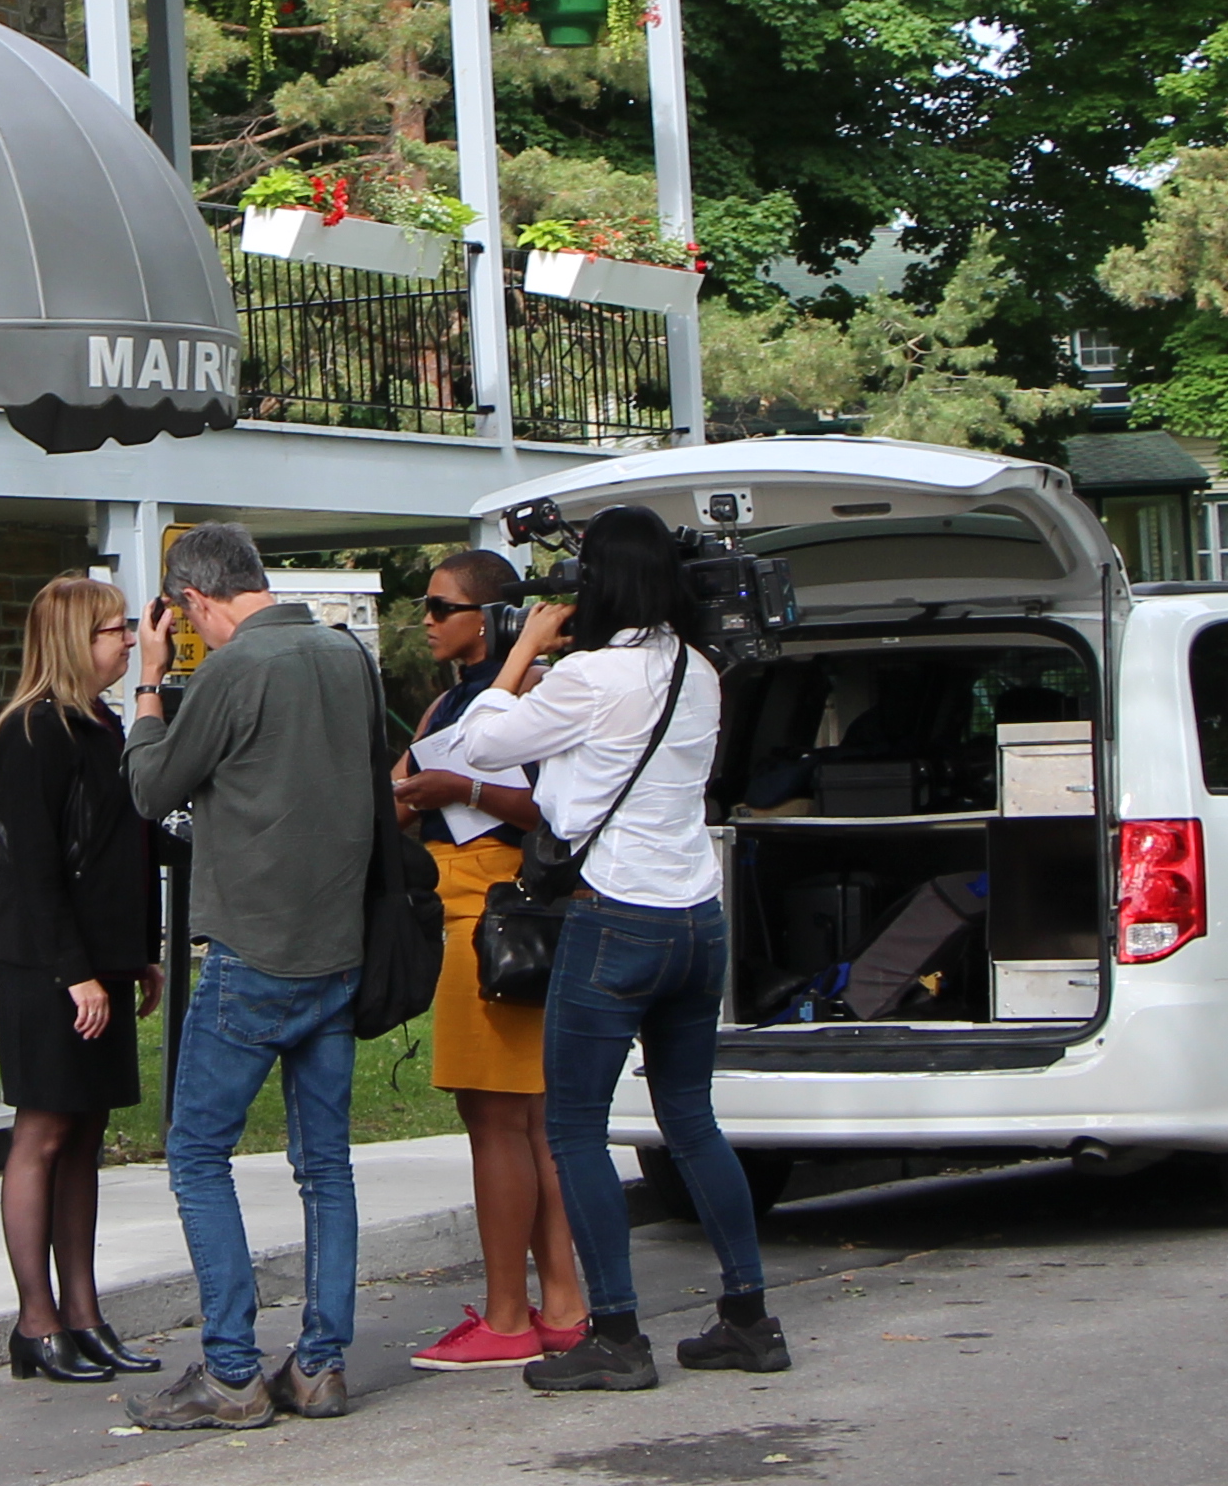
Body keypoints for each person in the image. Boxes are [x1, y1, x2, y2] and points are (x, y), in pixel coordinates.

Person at [441, 501, 782, 1390]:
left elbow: (481, 744)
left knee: (574, 1128)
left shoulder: (590, 676)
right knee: (692, 1120)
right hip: (696, 920)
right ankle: (749, 1319)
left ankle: (618, 1335)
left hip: (614, 919)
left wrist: (522, 651)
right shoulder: (699, 670)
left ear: (598, 585)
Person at [120, 517, 382, 1426]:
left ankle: (231, 1370)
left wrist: (149, 680)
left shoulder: (234, 670)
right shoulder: (347, 656)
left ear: (193, 600)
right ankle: (319, 1364)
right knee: (326, 1167)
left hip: (253, 949)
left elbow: (152, 787)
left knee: (197, 1154)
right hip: (338, 948)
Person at [391, 547, 588, 1366]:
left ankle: (510, 1316)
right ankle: (563, 1302)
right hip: (465, 900)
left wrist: (462, 790)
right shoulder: (446, 705)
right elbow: (397, 793)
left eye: (443, 607)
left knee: (500, 1120)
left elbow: (552, 806)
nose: (427, 620)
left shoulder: (527, 695)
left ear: (489, 619)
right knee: (525, 1120)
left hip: (494, 907)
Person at [0, 575, 162, 1385]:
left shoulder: (102, 725)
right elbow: (37, 867)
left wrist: (137, 953)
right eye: (115, 629)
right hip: (44, 960)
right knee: (45, 1130)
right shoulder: (32, 732)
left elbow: (124, 849)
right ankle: (35, 1320)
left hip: (99, 958)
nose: (128, 639)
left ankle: (84, 1314)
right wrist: (75, 973)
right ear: (73, 641)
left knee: (86, 1134)